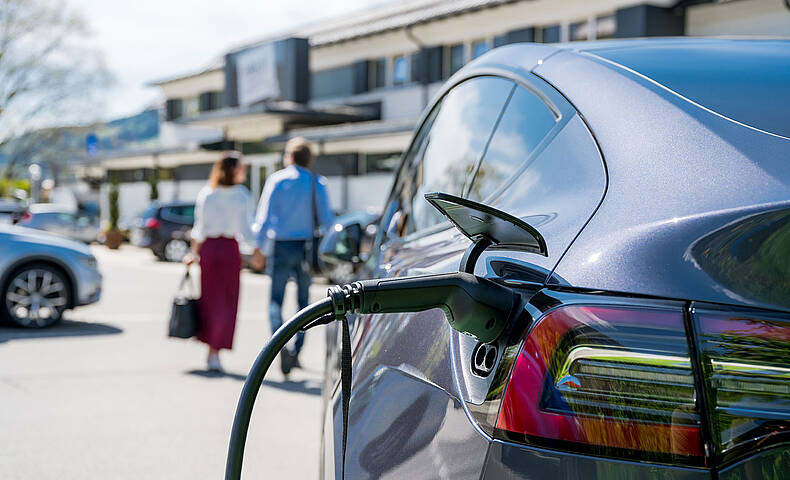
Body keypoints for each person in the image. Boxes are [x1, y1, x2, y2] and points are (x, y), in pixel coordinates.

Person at [251, 137, 333, 374]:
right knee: (303, 304)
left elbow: (264, 219)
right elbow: (327, 221)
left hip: (280, 246)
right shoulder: (317, 182)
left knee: (275, 299)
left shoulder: (277, 180)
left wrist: (259, 249)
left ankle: (280, 347)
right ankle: (296, 351)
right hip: (307, 247)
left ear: (289, 157)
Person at [184, 151, 261, 372]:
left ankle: (211, 349)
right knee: (227, 303)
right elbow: (247, 229)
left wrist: (193, 253)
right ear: (233, 170)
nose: (244, 171)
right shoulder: (242, 195)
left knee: (210, 301)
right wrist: (257, 251)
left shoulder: (208, 193)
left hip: (209, 250)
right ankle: (215, 351)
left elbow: (199, 228)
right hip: (228, 250)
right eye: (241, 167)